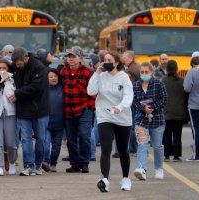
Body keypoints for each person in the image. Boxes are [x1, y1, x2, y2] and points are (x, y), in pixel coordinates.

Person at [88, 51, 133, 192]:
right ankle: (104, 179)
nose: (106, 62)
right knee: (106, 148)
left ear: (116, 63)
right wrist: (96, 73)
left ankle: (125, 178)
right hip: (104, 116)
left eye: (109, 60)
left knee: (122, 149)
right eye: (104, 60)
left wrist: (120, 107)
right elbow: (90, 91)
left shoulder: (124, 77)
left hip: (122, 117)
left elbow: (128, 96)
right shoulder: (100, 76)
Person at [10, 47, 50, 176]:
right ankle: (28, 165)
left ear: (26, 58)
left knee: (40, 139)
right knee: (26, 139)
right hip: (23, 110)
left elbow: (36, 88)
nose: (17, 65)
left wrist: (17, 93)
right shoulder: (16, 67)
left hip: (39, 110)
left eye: (19, 63)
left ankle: (38, 165)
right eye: (15, 63)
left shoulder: (39, 68)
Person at [60, 48, 94, 173]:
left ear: (80, 58)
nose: (71, 59)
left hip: (84, 108)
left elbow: (94, 90)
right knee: (70, 138)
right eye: (69, 56)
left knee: (85, 136)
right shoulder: (63, 72)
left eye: (73, 56)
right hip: (68, 109)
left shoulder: (88, 72)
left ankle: (84, 163)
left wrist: (90, 106)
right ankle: (74, 163)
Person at [133, 62, 167, 181]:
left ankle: (159, 168)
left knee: (157, 146)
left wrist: (152, 108)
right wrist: (143, 109)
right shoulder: (136, 85)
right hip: (141, 119)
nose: (144, 74)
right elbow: (134, 101)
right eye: (142, 72)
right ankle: (142, 169)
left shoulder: (158, 83)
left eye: (146, 72)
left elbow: (163, 99)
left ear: (152, 72)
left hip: (157, 119)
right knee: (142, 144)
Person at [162, 60, 187, 162]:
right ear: (176, 68)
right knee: (177, 134)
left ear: (167, 68)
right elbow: (186, 95)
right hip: (179, 112)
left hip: (166, 111)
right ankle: (176, 155)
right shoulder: (182, 80)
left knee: (166, 133)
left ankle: (166, 155)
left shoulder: (163, 80)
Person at [42, 68, 64, 172]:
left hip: (59, 124)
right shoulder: (43, 89)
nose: (53, 78)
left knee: (56, 146)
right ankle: (45, 162)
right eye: (50, 76)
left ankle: (53, 163)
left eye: (55, 76)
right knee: (46, 144)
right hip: (46, 124)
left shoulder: (63, 88)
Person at [122, 50, 140, 156]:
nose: (123, 59)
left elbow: (130, 86)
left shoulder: (131, 70)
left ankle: (133, 148)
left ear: (130, 58)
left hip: (133, 100)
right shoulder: (138, 66)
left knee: (133, 124)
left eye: (124, 57)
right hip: (139, 99)